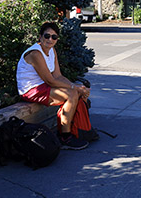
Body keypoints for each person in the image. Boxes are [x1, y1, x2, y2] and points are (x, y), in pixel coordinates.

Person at [16, 22, 90, 150]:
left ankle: (74, 129)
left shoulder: (51, 51)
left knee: (76, 91)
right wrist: (74, 88)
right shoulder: (35, 53)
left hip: (43, 86)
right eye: (47, 36)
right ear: (40, 37)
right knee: (72, 93)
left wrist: (76, 87)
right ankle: (65, 137)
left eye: (54, 37)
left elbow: (58, 76)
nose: (50, 40)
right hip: (30, 89)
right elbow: (50, 80)